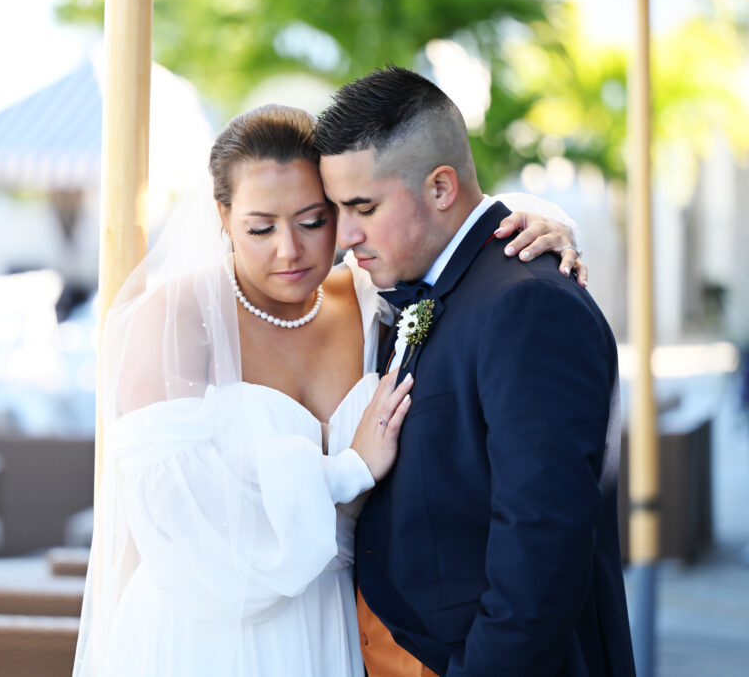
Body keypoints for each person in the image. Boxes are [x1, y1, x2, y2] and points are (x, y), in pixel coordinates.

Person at [73, 103, 584, 677]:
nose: (288, 250)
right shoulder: (176, 317)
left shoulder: (371, 298)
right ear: (223, 215)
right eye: (260, 228)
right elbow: (180, 519)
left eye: (313, 221)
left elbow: (448, 227)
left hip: (342, 625)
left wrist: (542, 224)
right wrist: (348, 469)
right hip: (217, 632)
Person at [316, 66, 635, 677]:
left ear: (441, 188)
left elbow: (542, 546)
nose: (345, 235)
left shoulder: (527, 302)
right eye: (336, 209)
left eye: (363, 207)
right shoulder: (427, 282)